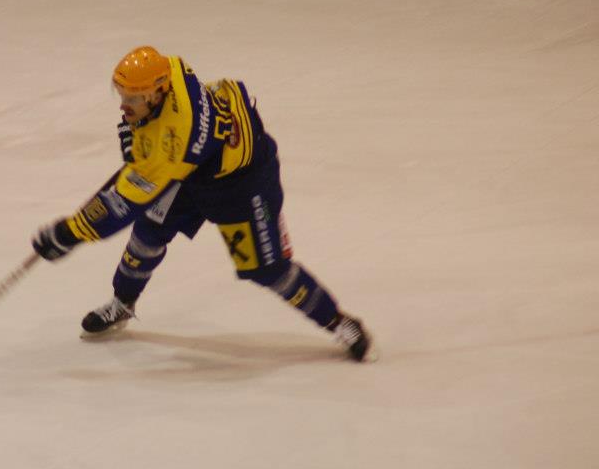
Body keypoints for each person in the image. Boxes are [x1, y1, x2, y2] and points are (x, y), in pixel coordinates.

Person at [31, 46, 376, 362]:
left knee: (267, 269)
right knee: (147, 236)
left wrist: (69, 234)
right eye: (122, 95)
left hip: (242, 183)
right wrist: (138, 141)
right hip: (192, 171)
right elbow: (146, 151)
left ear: (156, 93)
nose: (123, 105)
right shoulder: (171, 70)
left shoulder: (174, 142)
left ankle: (338, 321)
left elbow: (123, 204)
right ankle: (123, 303)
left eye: (132, 98)